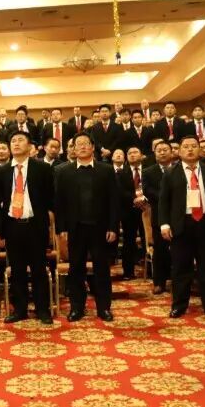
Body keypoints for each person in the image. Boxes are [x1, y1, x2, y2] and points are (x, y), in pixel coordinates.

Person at [159, 136, 205, 318]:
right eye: (186, 147)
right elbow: (163, 202)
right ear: (179, 151)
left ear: (200, 149)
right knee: (181, 268)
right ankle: (179, 305)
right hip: (181, 224)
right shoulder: (170, 173)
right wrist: (164, 224)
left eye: (194, 146)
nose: (190, 150)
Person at [55, 133, 119, 322]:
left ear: (92, 147)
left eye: (86, 144)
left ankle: (104, 308)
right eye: (78, 144)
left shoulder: (106, 170)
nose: (82, 147)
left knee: (102, 269)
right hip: (75, 229)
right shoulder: (63, 171)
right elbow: (59, 203)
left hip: (100, 228)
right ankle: (77, 307)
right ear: (73, 149)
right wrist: (62, 228)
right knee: (76, 270)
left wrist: (113, 227)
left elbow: (114, 201)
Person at [0, 131, 54, 324]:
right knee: (17, 271)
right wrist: (0, 231)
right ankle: (20, 309)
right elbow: (0, 202)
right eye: (13, 141)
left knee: (39, 270)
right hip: (13, 226)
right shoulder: (3, 171)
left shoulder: (42, 168)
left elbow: (51, 197)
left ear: (30, 146)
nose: (16, 143)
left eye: (20, 140)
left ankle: (42, 309)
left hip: (35, 225)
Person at [142, 142, 173, 294]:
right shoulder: (148, 171)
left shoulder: (179, 169)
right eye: (159, 150)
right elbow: (147, 191)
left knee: (180, 250)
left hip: (179, 215)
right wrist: (166, 197)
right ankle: (159, 282)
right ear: (154, 154)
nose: (162, 152)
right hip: (159, 215)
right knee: (160, 251)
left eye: (165, 150)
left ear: (171, 152)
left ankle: (179, 280)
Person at [117, 146, 147, 281]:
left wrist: (144, 199)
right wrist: (135, 199)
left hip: (147, 209)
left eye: (135, 152)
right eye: (129, 153)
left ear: (141, 155)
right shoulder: (121, 173)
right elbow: (120, 191)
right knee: (129, 241)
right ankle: (128, 271)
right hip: (129, 210)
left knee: (148, 240)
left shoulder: (148, 170)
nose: (132, 155)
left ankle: (151, 270)